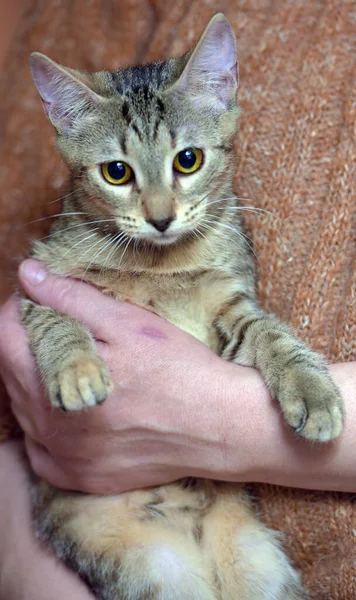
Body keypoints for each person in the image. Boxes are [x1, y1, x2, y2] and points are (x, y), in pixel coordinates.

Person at [0, 258, 355, 599]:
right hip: (104, 519)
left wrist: (216, 419)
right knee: (169, 571)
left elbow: (239, 320)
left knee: (256, 571)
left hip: (226, 510)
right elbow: (37, 308)